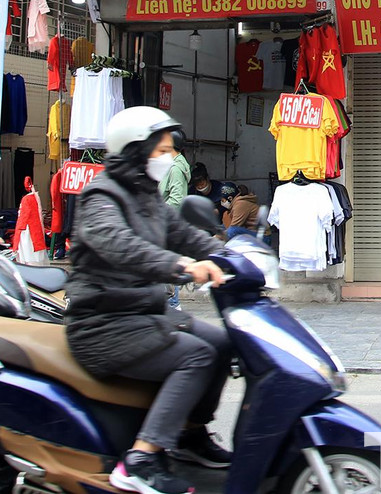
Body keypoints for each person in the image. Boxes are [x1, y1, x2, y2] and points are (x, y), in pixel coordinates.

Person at [64, 107, 233, 494]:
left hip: (144, 313)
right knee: (197, 355)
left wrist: (231, 253)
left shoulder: (146, 195)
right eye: (162, 150)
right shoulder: (100, 195)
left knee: (223, 343)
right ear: (135, 150)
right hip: (104, 322)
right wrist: (181, 267)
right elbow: (120, 245)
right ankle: (140, 459)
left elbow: (184, 233)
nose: (168, 158)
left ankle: (190, 434)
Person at [158, 132, 191, 208]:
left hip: (167, 217)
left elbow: (176, 200)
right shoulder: (169, 165)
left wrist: (158, 212)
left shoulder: (176, 169)